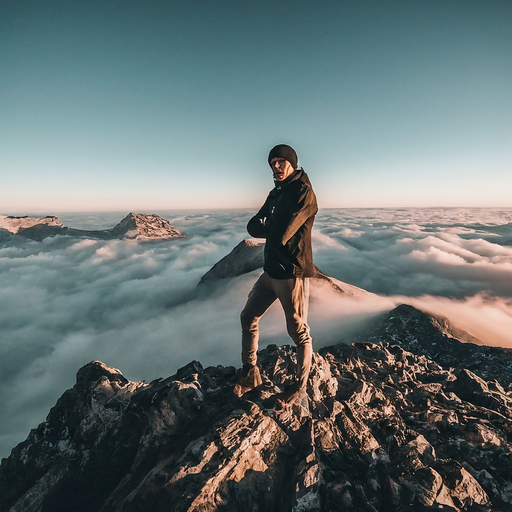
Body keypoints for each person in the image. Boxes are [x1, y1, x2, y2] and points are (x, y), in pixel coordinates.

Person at [234, 144, 318, 402]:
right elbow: (252, 226)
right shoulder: (276, 193)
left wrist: (268, 227)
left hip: (291, 274)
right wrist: (272, 226)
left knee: (298, 332)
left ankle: (299, 387)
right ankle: (250, 372)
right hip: (270, 271)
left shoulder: (303, 193)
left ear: (292, 163)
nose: (277, 166)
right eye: (273, 163)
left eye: (281, 161)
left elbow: (283, 235)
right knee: (248, 316)